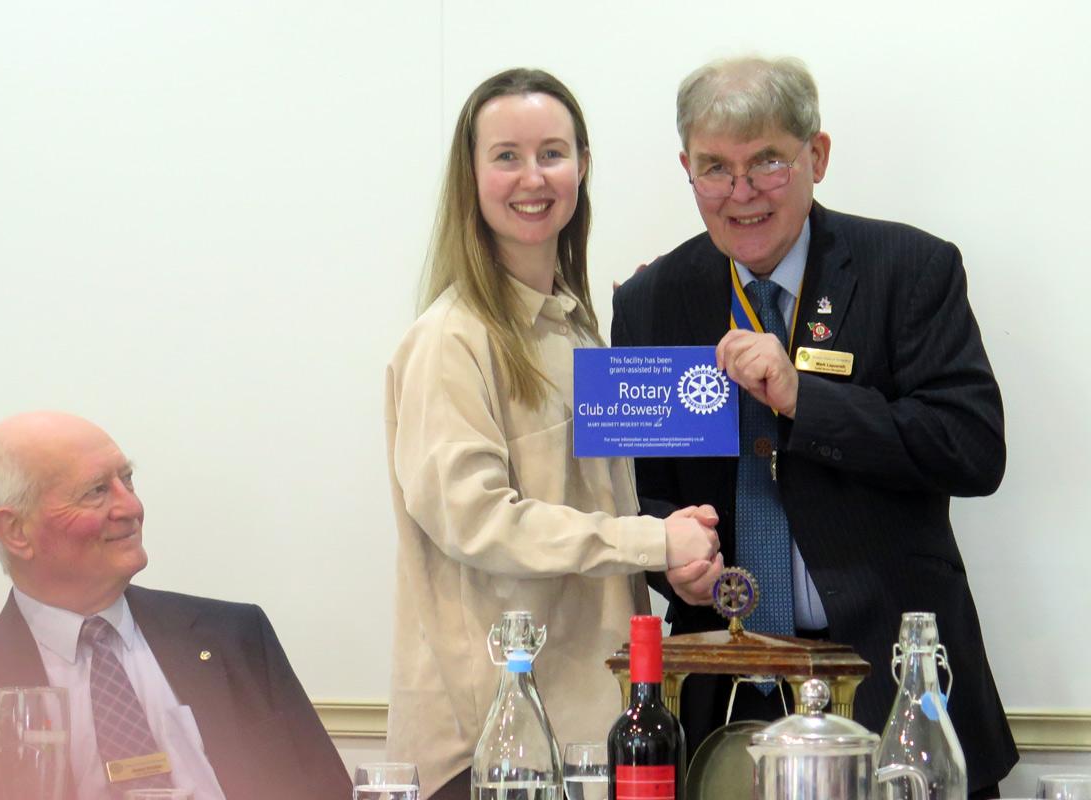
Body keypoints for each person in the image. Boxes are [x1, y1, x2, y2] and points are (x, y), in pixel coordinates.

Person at [611, 56, 1017, 798]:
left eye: (766, 162)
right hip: (721, 700)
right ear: (686, 169)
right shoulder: (652, 300)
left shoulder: (909, 268)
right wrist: (668, 559)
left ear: (816, 156)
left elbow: (973, 449)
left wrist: (806, 400)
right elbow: (643, 498)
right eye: (715, 169)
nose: (741, 195)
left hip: (894, 690)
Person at [384, 68, 722, 800]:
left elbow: (597, 518)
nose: (531, 177)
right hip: (495, 753)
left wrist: (674, 548)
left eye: (552, 154)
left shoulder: (580, 332)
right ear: (469, 176)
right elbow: (478, 522)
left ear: (583, 167)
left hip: (593, 737)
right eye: (505, 155)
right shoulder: (452, 339)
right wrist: (649, 541)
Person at [0, 411, 351, 800]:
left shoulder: (235, 638)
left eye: (127, 479)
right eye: (96, 491)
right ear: (16, 531)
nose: (131, 507)